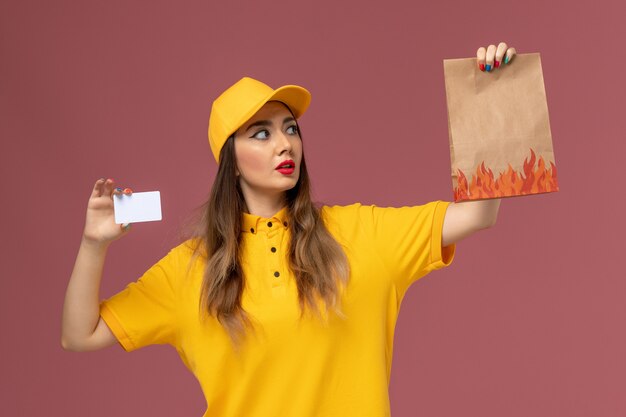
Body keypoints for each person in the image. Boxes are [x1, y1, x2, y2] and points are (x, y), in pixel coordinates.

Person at [62, 42, 516, 417]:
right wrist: (92, 244)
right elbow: (79, 334)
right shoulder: (192, 269)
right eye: (260, 133)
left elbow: (478, 215)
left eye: (290, 128)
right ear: (231, 163)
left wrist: (489, 105)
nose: (285, 143)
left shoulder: (361, 232)